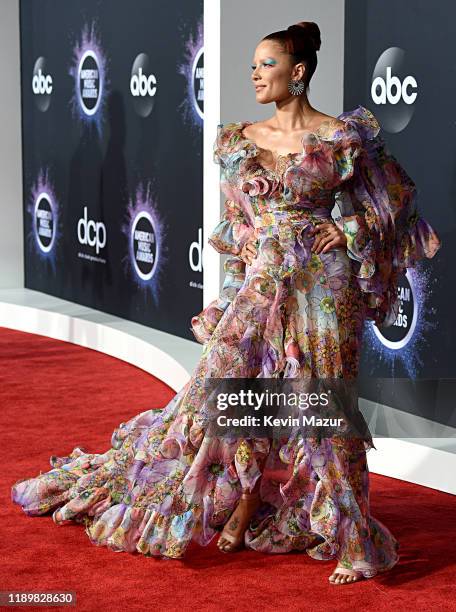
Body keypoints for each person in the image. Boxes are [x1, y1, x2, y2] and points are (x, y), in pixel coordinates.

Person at [11, 21, 441, 585]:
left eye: (267, 64)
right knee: (228, 395)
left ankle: (354, 541)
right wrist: (235, 288)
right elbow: (236, 228)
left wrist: (351, 226)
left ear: (300, 71)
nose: (255, 74)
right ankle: (237, 510)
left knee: (323, 406)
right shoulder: (239, 140)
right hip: (262, 284)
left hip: (323, 288)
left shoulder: (342, 137)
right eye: (254, 65)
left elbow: (398, 202)